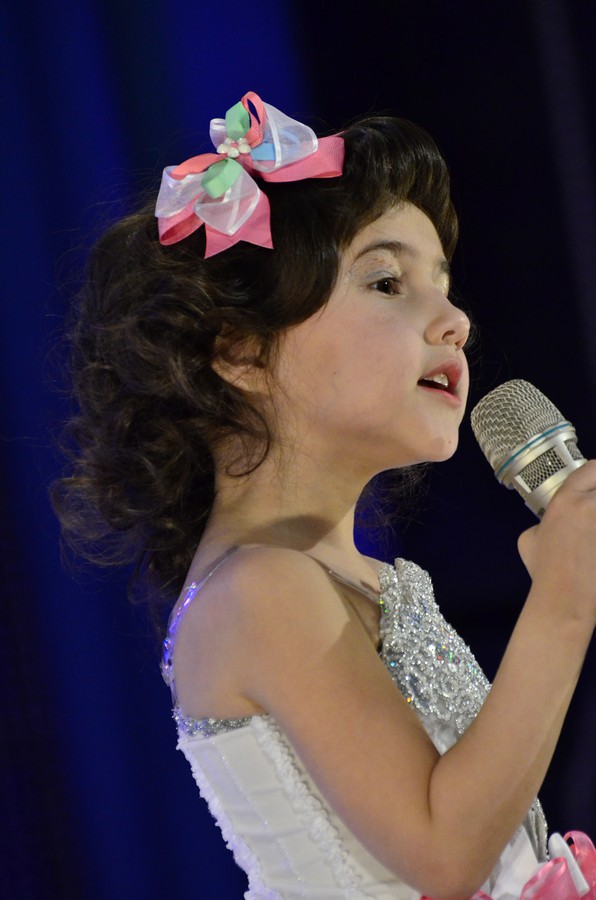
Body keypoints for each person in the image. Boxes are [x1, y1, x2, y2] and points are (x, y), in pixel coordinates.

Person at [53, 91, 596, 899]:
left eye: (444, 284)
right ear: (241, 350)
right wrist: (563, 604)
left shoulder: (365, 581)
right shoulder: (259, 588)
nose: (455, 320)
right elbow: (445, 854)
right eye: (387, 282)